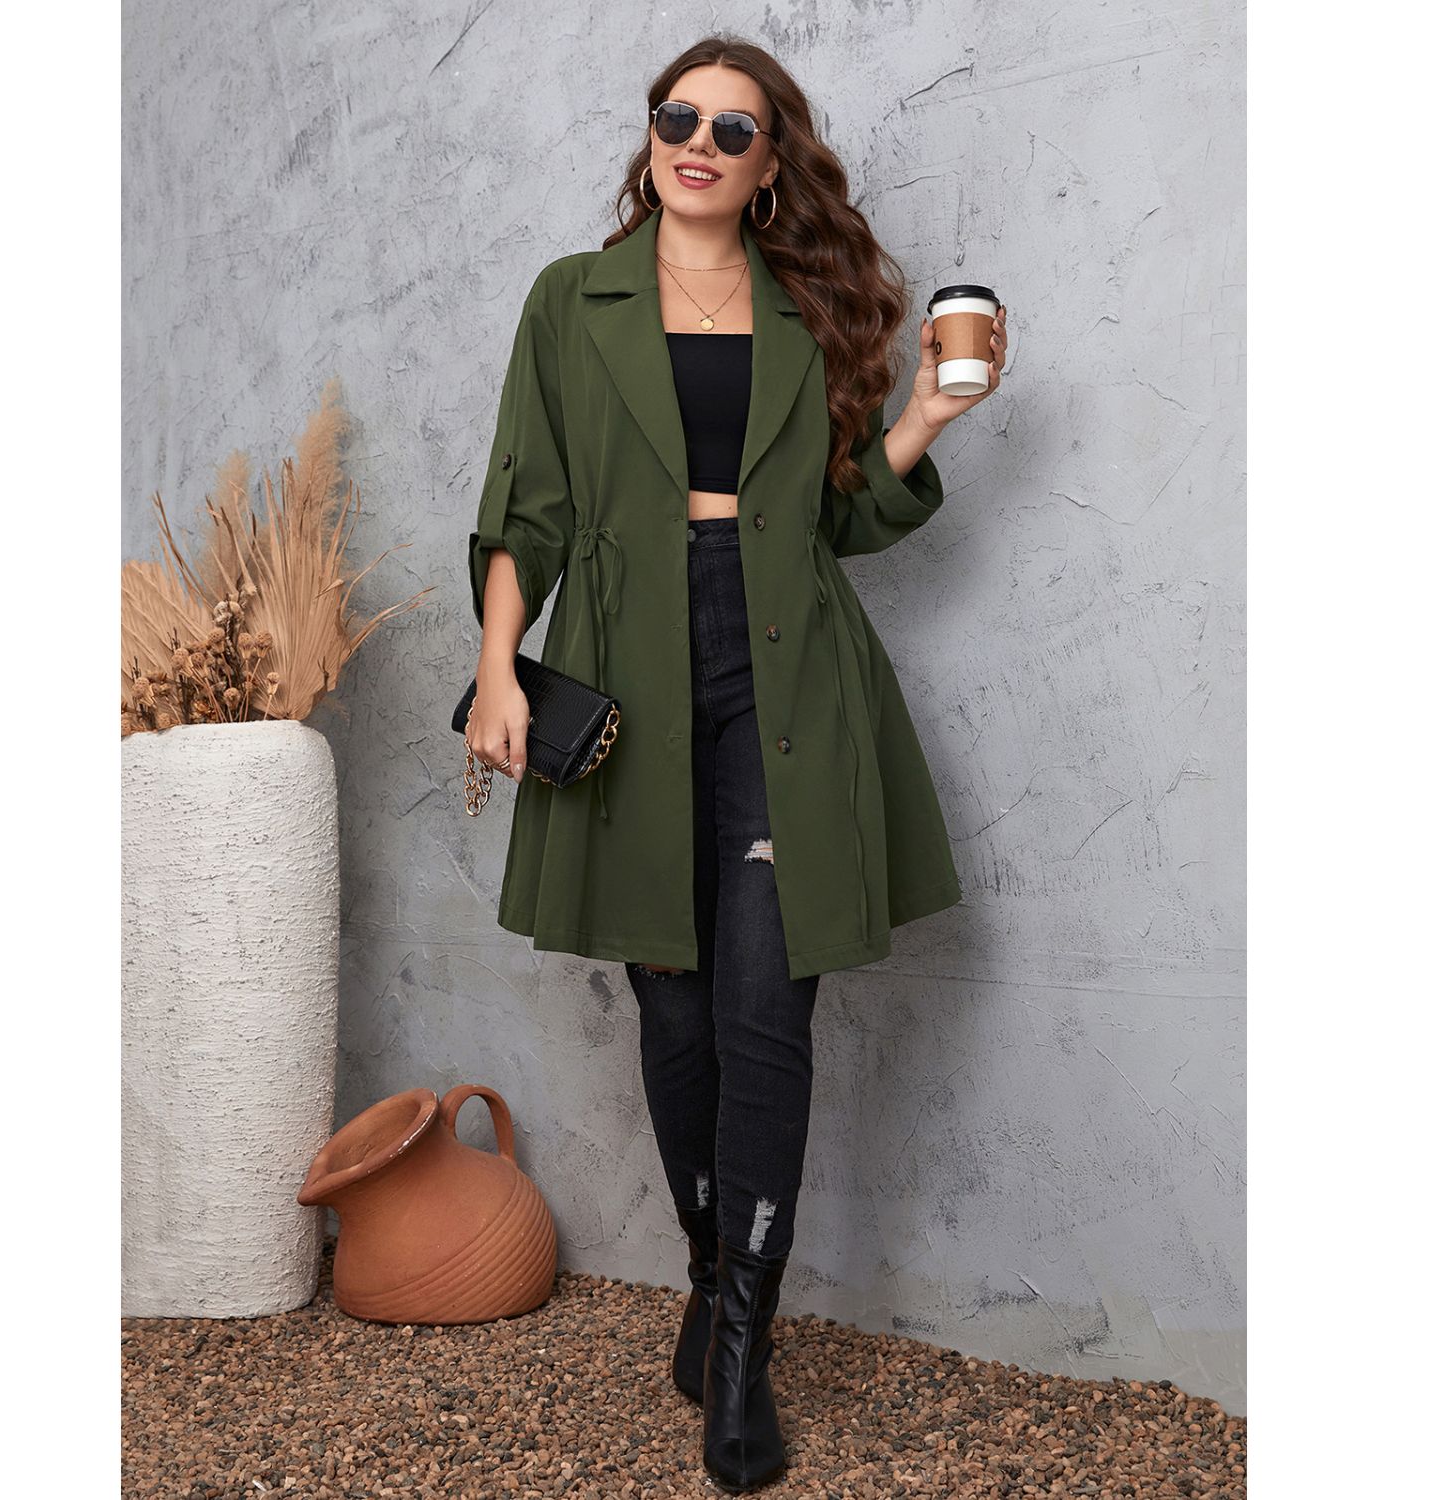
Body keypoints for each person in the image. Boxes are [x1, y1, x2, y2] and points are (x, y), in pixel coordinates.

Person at [465, 35, 1008, 1494]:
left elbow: (840, 522)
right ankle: (711, 1278)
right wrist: (499, 670)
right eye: (677, 117)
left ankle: (744, 1345)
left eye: (731, 128)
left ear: (772, 166)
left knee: (768, 1013)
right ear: (651, 136)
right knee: (678, 1010)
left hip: (789, 672)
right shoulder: (570, 301)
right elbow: (526, 503)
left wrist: (924, 418)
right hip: (630, 666)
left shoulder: (806, 308)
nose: (696, 142)